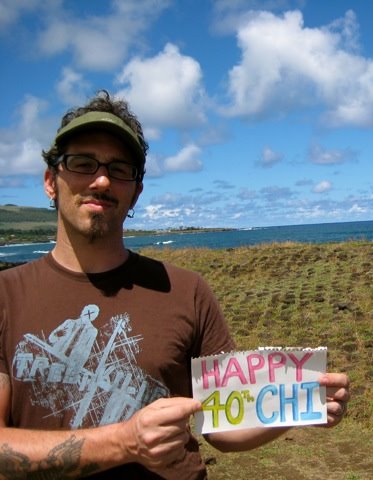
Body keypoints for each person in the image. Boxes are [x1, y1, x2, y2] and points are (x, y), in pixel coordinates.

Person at [0, 91, 350, 479]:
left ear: (136, 191)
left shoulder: (186, 290)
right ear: (51, 181)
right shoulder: (5, 295)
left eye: (120, 170)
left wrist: (297, 404)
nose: (101, 180)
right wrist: (124, 442)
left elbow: (220, 424)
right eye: (83, 164)